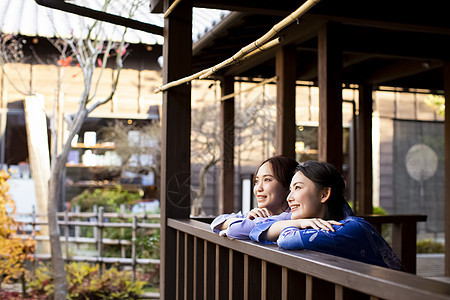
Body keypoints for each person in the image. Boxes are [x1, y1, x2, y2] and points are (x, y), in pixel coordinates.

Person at [249, 160, 404, 270]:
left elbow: (286, 239)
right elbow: (256, 231)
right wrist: (298, 223)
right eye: (290, 189)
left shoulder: (353, 227)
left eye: (297, 188)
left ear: (324, 194)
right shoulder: (318, 224)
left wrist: (296, 224)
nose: (289, 197)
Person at [210, 155, 298, 239]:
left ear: (288, 185)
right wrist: (246, 219)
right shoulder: (262, 214)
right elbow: (217, 222)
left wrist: (245, 223)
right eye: (256, 181)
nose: (258, 188)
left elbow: (236, 229)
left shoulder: (292, 217)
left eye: (267, 180)